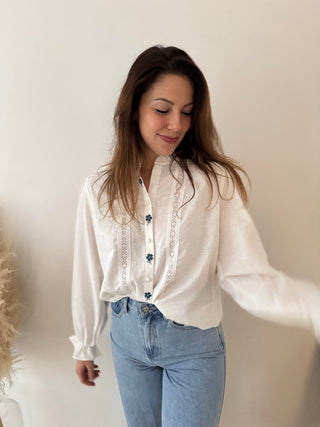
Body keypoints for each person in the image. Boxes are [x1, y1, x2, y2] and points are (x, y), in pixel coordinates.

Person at [70, 45, 320, 427]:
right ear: (133, 105)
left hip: (193, 347)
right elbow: (89, 269)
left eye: (187, 113)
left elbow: (245, 274)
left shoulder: (211, 183)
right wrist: (84, 343)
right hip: (127, 342)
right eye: (162, 109)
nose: (177, 125)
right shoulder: (100, 187)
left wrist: (312, 306)